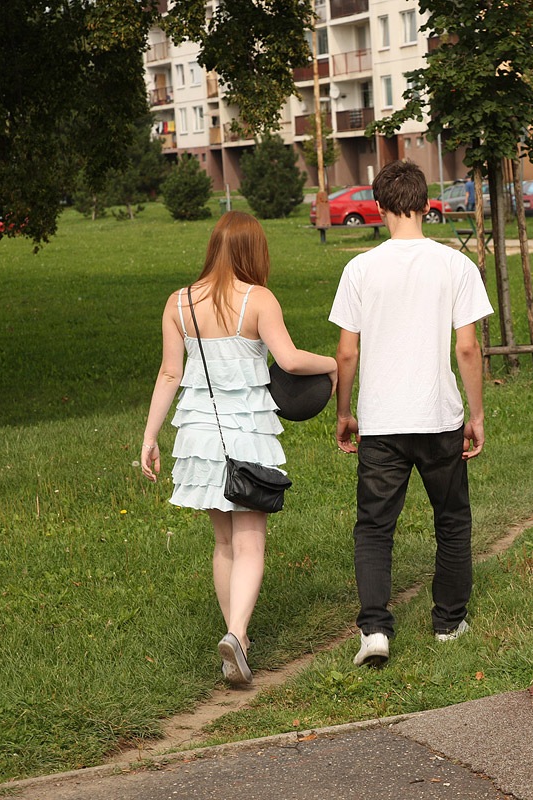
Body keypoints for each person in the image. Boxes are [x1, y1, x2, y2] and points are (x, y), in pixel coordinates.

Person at [141, 211, 337, 685]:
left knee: (224, 543)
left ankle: (239, 643)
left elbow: (170, 373)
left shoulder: (179, 302)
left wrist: (149, 437)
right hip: (246, 433)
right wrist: (335, 362)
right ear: (255, 251)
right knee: (251, 542)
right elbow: (288, 359)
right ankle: (237, 632)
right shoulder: (258, 299)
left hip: (198, 436)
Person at [329, 160, 494, 668]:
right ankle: (448, 623)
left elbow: (346, 354)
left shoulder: (360, 269)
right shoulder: (455, 266)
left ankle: (374, 631)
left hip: (381, 421)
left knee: (375, 528)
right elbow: (467, 349)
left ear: (378, 210)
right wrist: (477, 413)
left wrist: (344, 410)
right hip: (439, 416)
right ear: (427, 205)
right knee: (452, 520)